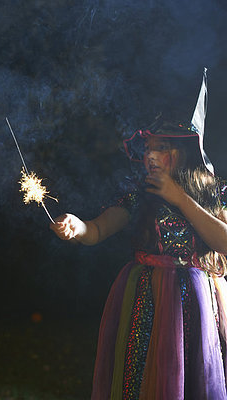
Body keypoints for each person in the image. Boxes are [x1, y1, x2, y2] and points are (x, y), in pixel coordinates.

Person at [51, 109, 227, 398]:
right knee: (142, 374)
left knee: (195, 375)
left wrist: (179, 198)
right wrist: (78, 226)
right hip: (148, 300)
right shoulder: (139, 192)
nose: (151, 156)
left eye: (161, 148)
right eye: (147, 149)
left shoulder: (213, 191)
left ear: (184, 151)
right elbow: (97, 229)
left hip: (198, 302)